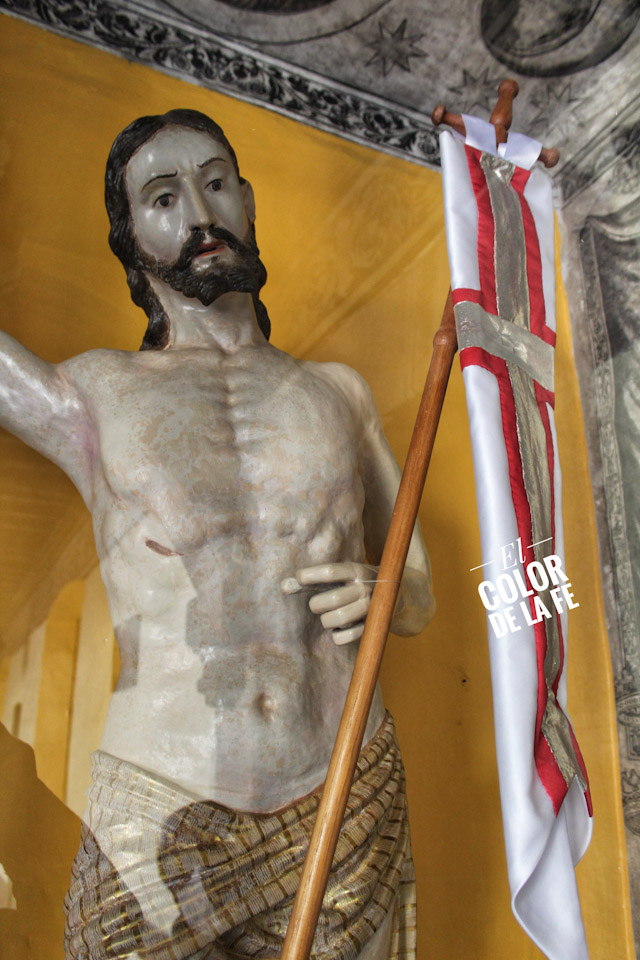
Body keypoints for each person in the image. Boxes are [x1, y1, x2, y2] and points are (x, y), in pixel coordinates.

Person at [0, 109, 434, 960]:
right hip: (161, 801)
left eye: (216, 182)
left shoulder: (339, 394)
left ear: (248, 201)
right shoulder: (97, 392)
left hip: (341, 791)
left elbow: (415, 594)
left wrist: (388, 589)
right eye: (164, 198)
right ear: (130, 239)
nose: (201, 213)